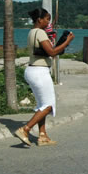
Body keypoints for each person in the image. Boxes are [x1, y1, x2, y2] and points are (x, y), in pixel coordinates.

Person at [14, 8, 74, 146]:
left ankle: (42, 135)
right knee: (49, 106)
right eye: (47, 19)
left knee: (42, 105)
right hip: (39, 72)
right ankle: (25, 129)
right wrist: (67, 41)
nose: (48, 22)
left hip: (32, 70)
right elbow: (52, 52)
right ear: (39, 19)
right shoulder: (40, 33)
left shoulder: (31, 32)